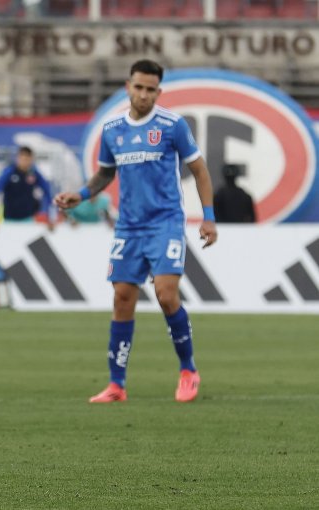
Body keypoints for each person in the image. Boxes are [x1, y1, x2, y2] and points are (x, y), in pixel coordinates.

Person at [54, 59, 218, 404]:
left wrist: (208, 217)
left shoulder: (172, 125)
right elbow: (104, 175)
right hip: (128, 226)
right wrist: (80, 194)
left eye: (150, 89)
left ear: (158, 92)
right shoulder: (112, 130)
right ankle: (117, 385)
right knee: (122, 298)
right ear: (128, 87)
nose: (143, 94)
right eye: (138, 87)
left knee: (166, 294)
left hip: (165, 223)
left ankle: (188, 370)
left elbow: (200, 171)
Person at [0, 146, 55, 232]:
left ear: (31, 159)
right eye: (22, 158)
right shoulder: (9, 172)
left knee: (33, 244)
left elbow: (48, 194)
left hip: (28, 220)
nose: (24, 161)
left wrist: (51, 218)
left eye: (27, 158)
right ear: (17, 158)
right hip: (9, 220)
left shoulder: (34, 173)